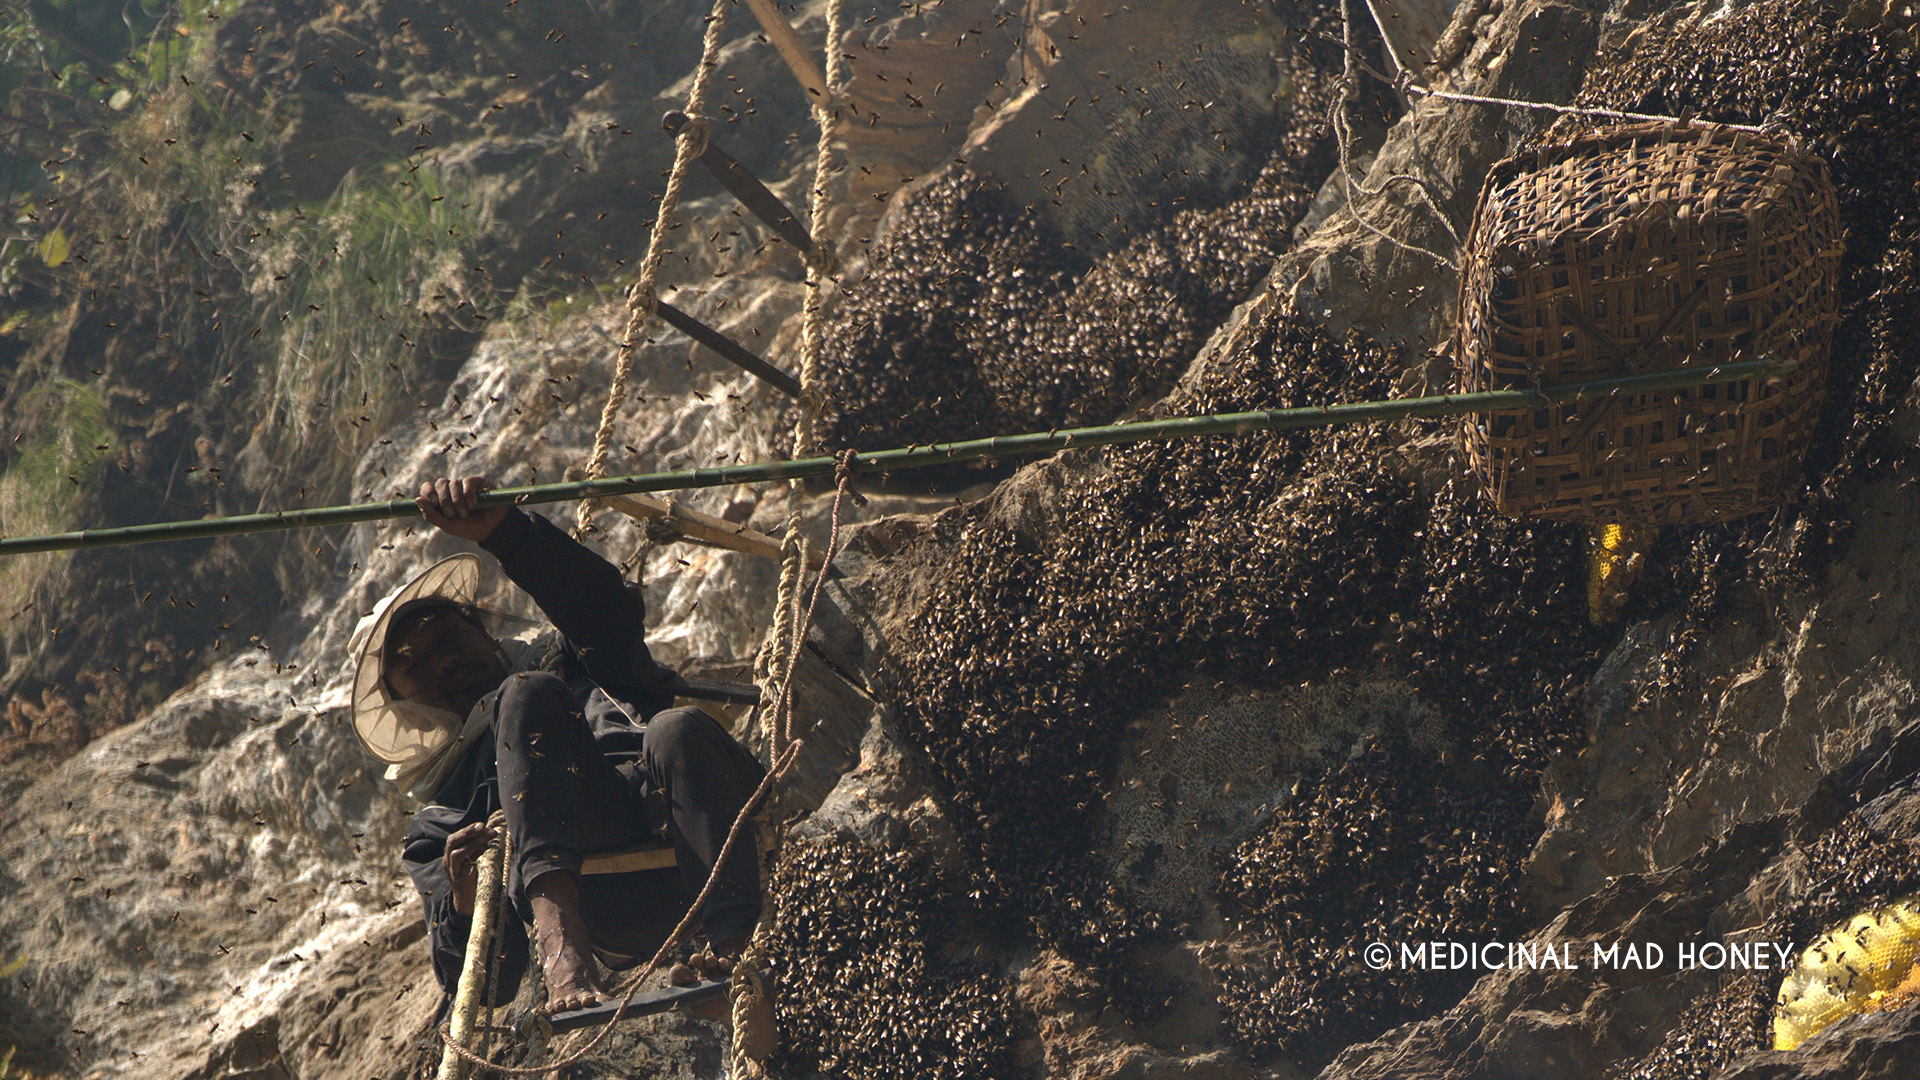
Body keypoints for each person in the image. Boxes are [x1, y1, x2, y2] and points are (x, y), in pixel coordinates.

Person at [346, 476, 766, 1014]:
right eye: (414, 664)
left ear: (482, 629)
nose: (442, 661)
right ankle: (563, 954)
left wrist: (508, 534)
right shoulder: (439, 819)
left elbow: (605, 607)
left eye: (447, 638)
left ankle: (733, 957)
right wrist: (464, 897)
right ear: (403, 701)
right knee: (523, 698)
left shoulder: (582, 661)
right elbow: (481, 987)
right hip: (604, 906)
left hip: (696, 827)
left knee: (674, 728)